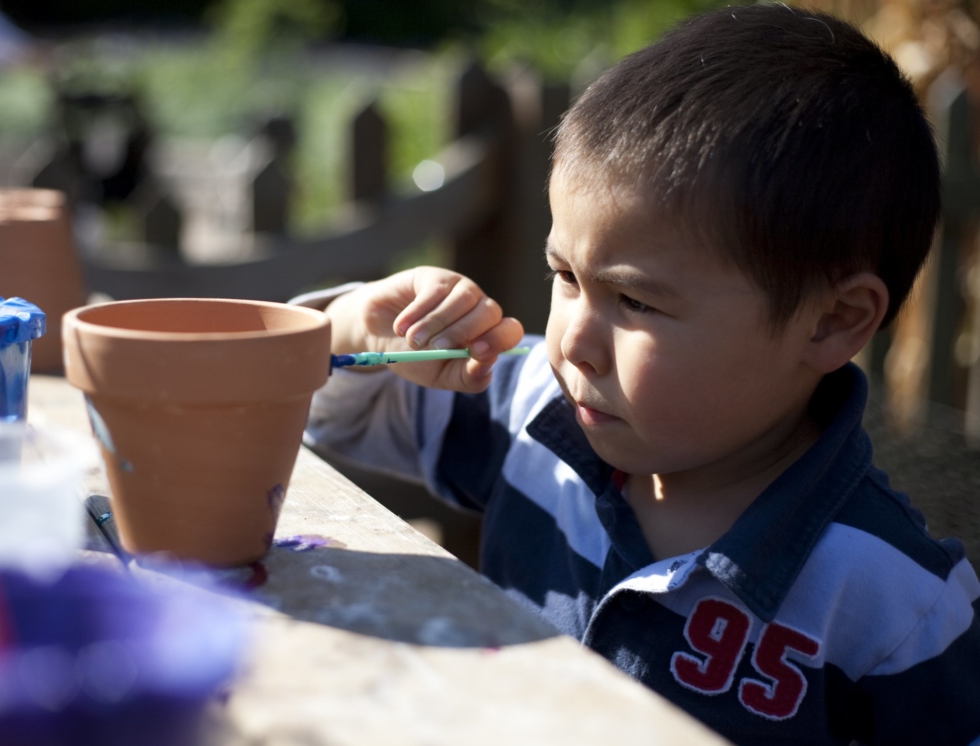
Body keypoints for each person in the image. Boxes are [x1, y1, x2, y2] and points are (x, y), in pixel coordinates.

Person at [296, 5, 980, 744]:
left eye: (635, 301)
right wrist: (353, 328)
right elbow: (330, 412)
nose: (572, 342)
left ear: (833, 322)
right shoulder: (531, 407)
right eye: (564, 275)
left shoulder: (898, 604)